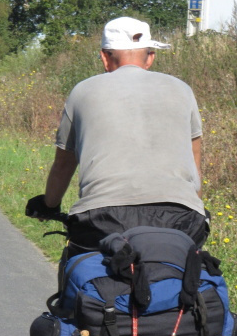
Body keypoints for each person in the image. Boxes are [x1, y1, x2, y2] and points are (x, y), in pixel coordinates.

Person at [26, 16, 209, 251]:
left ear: (104, 57)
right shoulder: (183, 90)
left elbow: (63, 165)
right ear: (150, 57)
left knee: (83, 266)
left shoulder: (82, 91)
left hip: (102, 218)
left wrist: (49, 205)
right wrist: (195, 207)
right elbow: (195, 165)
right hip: (181, 218)